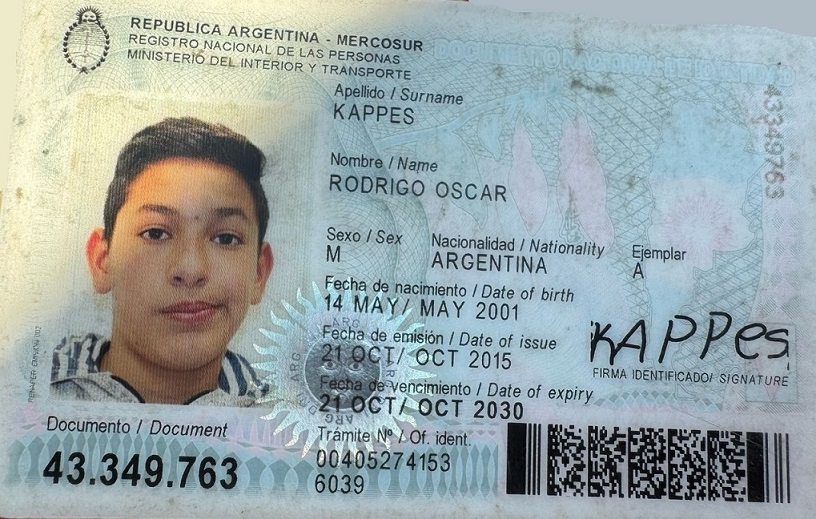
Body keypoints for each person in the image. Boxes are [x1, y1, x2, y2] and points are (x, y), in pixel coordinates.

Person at [51, 117, 274, 406]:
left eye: (225, 238)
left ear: (259, 273)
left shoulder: (284, 421)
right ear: (102, 260)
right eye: (156, 233)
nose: (191, 269)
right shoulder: (22, 381)